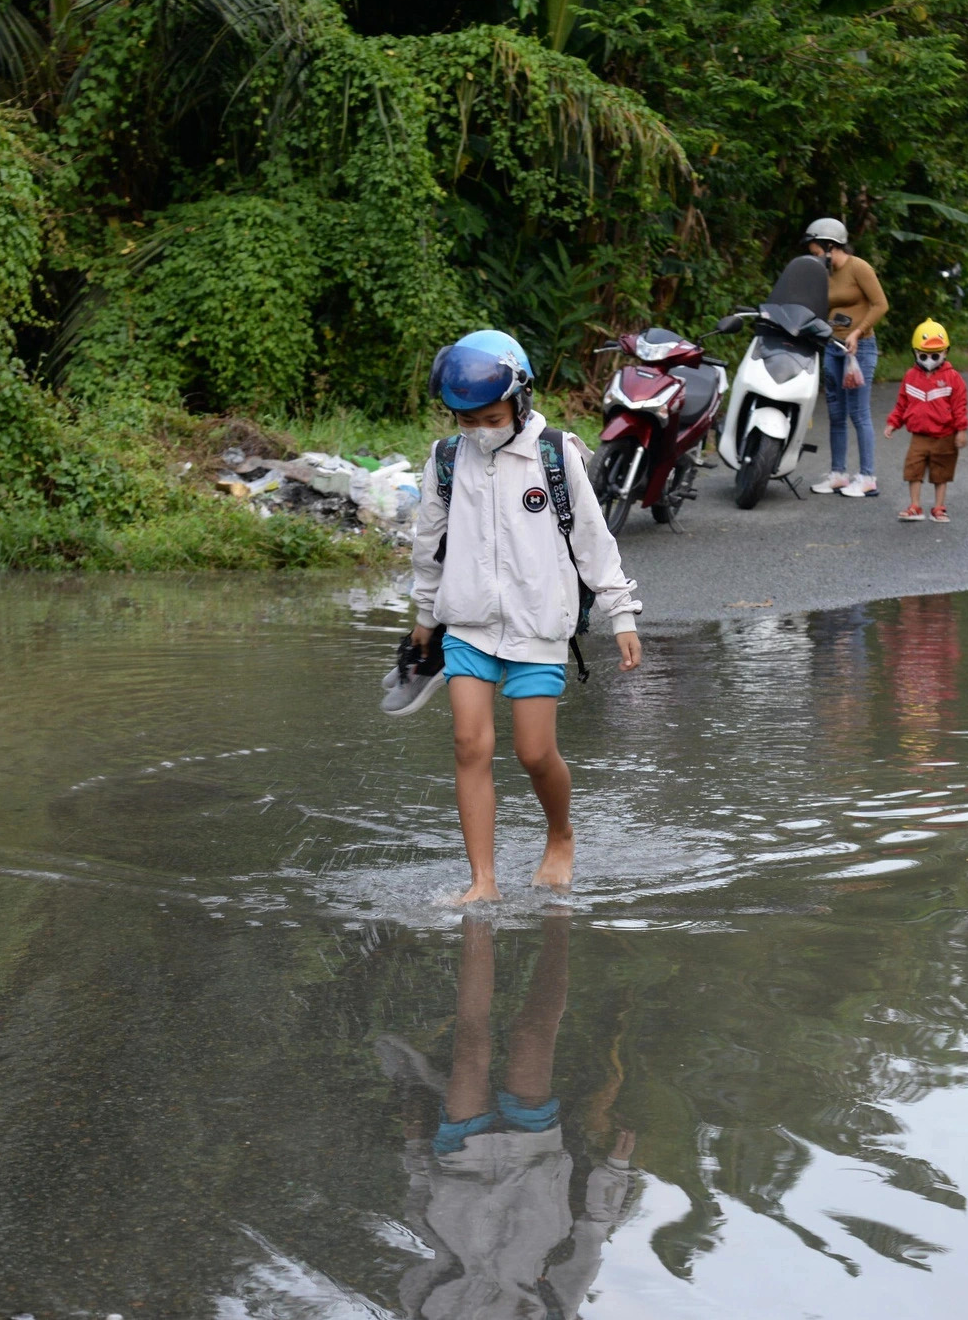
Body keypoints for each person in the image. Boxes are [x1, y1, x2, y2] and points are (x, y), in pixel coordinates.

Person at [393, 330, 643, 904]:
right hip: (470, 626)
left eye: (491, 416)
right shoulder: (447, 459)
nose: (479, 429)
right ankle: (483, 881)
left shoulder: (555, 455)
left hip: (537, 627)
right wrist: (425, 618)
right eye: (467, 420)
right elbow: (430, 543)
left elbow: (592, 541)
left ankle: (560, 835)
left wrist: (621, 613)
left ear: (520, 399)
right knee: (468, 744)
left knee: (534, 753)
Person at [376, 913, 639, 1320]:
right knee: (533, 1034)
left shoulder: (424, 1313)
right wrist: (617, 1169)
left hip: (461, 1165)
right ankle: (557, 920)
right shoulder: (559, 1313)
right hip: (537, 1162)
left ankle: (477, 915)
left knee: (470, 1044)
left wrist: (416, 1151)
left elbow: (434, 1243)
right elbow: (592, 1235)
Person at [801, 218, 888, 499]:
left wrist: (858, 332)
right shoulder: (824, 274)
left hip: (859, 348)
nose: (814, 258)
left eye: (816, 252)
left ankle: (867, 477)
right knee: (836, 413)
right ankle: (839, 474)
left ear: (830, 247)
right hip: (833, 347)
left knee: (858, 412)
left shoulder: (859, 268)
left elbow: (880, 304)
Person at [884, 318, 968, 523]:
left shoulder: (953, 378)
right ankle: (915, 506)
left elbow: (960, 405)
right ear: (915, 352)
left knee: (941, 473)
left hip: (945, 435)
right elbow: (902, 404)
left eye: (935, 355)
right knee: (913, 470)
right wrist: (893, 423)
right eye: (924, 354)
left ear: (946, 352)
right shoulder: (910, 377)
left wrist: (961, 430)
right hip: (919, 436)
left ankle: (939, 507)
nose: (929, 358)